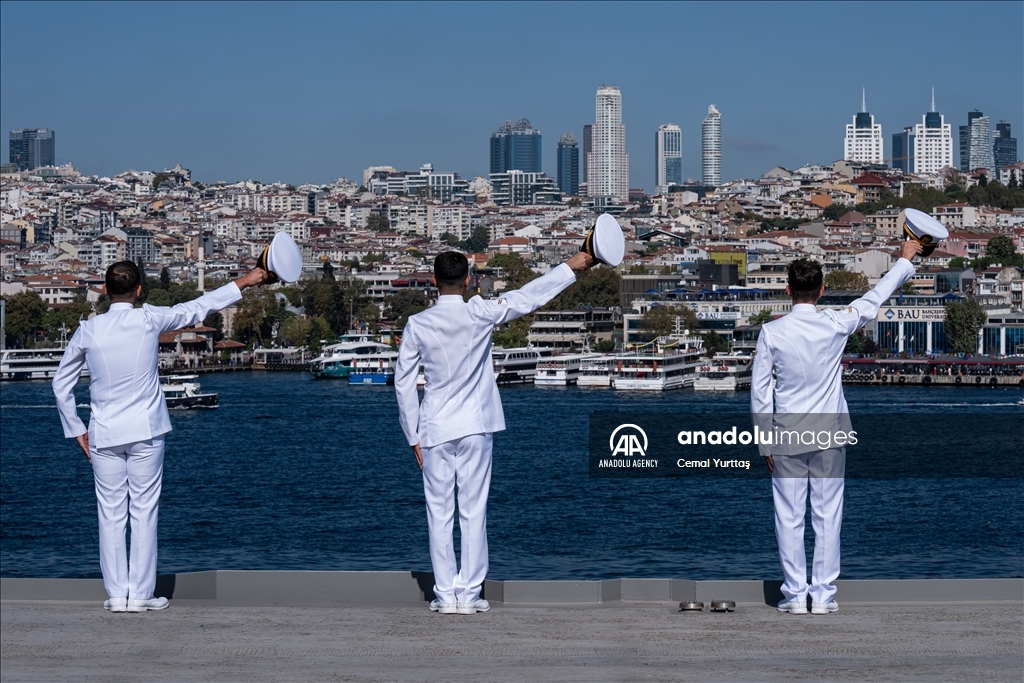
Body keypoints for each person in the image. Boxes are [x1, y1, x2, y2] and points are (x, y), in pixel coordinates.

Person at [52, 260, 268, 613]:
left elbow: (61, 384)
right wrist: (248, 279)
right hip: (147, 431)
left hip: (103, 434)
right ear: (139, 290)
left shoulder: (88, 330)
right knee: (143, 511)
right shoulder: (149, 318)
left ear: (104, 290)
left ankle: (117, 595)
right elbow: (202, 305)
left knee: (109, 515)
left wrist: (76, 429)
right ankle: (140, 595)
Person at [395, 250, 595, 615]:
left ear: (433, 281)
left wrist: (413, 436)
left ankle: (444, 595)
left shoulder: (418, 323)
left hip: (435, 428)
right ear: (469, 280)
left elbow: (403, 384)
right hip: (475, 425)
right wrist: (571, 266)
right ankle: (469, 596)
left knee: (438, 513)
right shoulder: (479, 312)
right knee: (473, 511)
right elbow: (527, 297)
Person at [751, 240, 921, 616]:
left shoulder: (772, 333)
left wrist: (763, 443)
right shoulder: (836, 323)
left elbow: (760, 394)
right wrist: (905, 260)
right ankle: (823, 596)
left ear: (788, 290)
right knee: (828, 515)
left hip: (786, 434)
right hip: (829, 432)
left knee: (789, 516)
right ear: (822, 290)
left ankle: (795, 596)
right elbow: (875, 296)